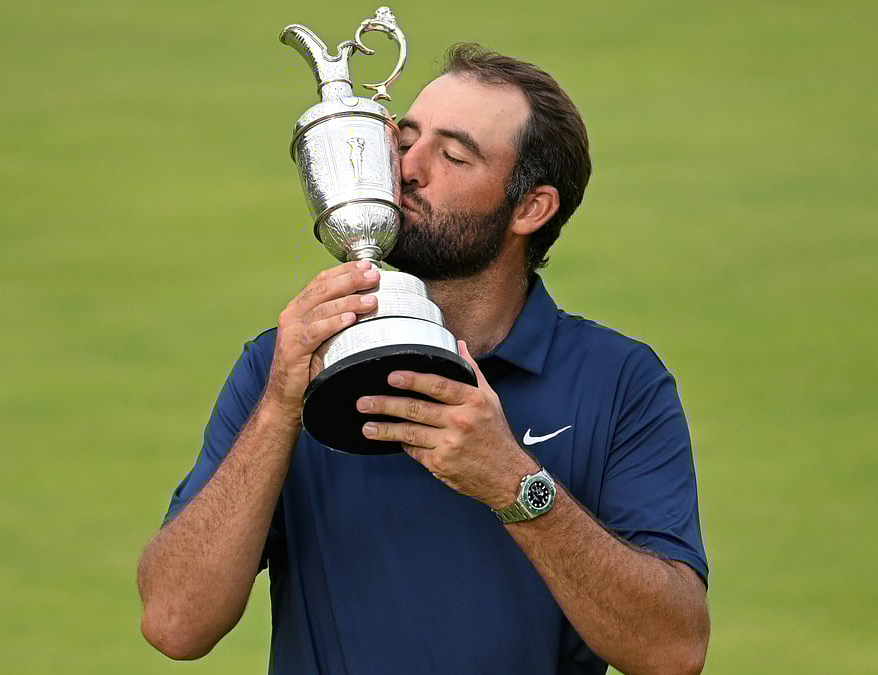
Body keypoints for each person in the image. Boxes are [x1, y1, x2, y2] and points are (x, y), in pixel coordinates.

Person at [137, 43, 710, 674]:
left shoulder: (619, 380)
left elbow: (672, 650)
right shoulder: (286, 363)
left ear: (530, 208)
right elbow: (174, 623)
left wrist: (512, 483)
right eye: (406, 139)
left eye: (454, 154)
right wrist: (278, 408)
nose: (408, 167)